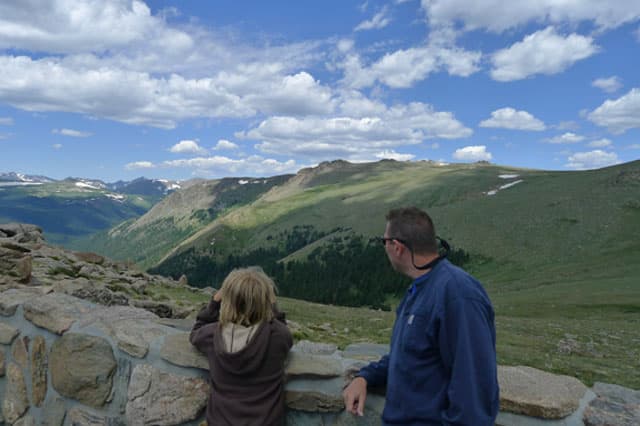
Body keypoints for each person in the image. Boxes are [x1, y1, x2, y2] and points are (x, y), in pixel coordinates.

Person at [343, 207, 499, 425]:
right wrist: (365, 377)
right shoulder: (419, 290)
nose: (384, 247)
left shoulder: (458, 294)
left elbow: (473, 388)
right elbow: (408, 356)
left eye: (384, 241)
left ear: (397, 247)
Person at [190, 266, 293, 426]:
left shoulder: (211, 335)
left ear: (227, 301)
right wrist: (273, 305)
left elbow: (196, 330)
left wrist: (214, 303)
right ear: (265, 301)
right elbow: (282, 326)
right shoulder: (278, 336)